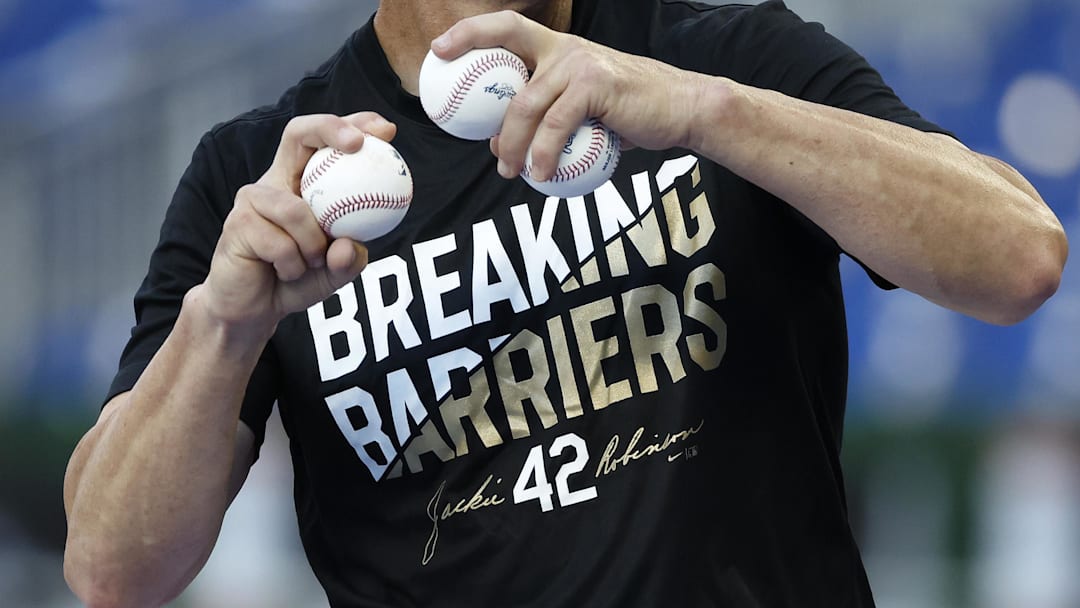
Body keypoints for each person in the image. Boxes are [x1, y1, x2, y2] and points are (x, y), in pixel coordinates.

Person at [62, 0, 1067, 606]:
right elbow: (112, 567)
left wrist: (704, 110)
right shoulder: (262, 170)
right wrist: (223, 321)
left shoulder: (723, 59)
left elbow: (1018, 257)